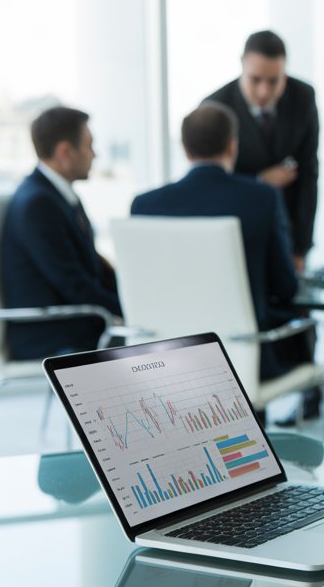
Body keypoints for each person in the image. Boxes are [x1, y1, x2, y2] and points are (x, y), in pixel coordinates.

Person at [131, 102, 309, 384]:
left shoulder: (145, 205)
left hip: (166, 359)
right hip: (246, 358)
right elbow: (285, 286)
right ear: (232, 146)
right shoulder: (262, 198)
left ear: (185, 149)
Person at [1, 106, 122, 359]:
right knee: (153, 338)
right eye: (89, 146)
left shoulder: (57, 196)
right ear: (65, 152)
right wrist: (131, 308)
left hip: (75, 322)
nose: (94, 155)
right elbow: (74, 284)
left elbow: (91, 272)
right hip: (53, 334)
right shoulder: (39, 204)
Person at [206, 30, 319, 272]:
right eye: (255, 80)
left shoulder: (303, 97)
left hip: (288, 229)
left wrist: (301, 248)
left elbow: (309, 175)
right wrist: (260, 181)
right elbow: (212, 184)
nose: (264, 91)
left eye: (274, 80)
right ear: (241, 66)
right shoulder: (216, 107)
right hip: (238, 232)